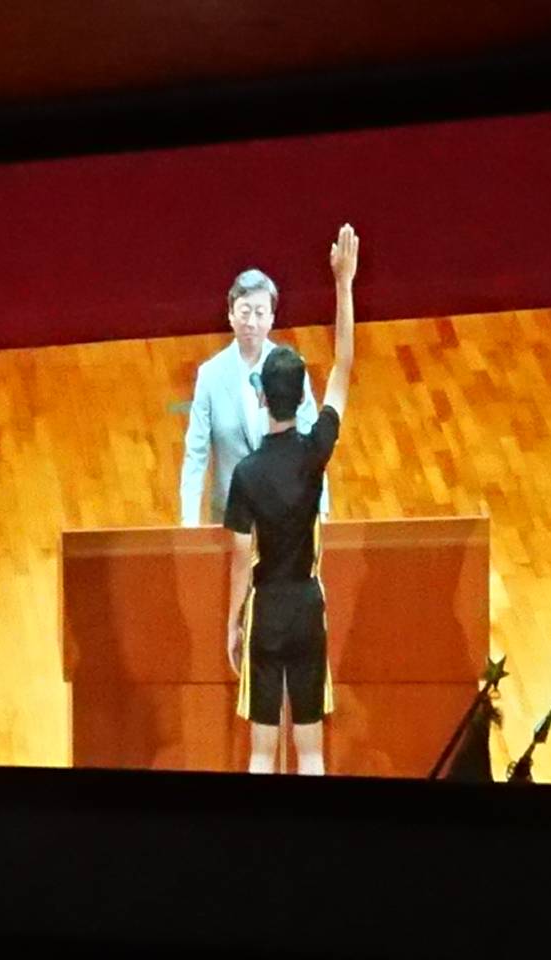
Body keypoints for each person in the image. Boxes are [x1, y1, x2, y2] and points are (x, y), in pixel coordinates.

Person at [223, 223, 358, 775]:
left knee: (260, 750)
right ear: (302, 395)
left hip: (266, 608)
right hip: (307, 607)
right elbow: (344, 367)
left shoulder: (246, 474)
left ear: (262, 396)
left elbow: (240, 558)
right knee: (311, 750)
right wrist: (343, 284)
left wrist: (233, 622)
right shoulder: (315, 451)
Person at [180, 269, 328, 528]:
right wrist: (188, 520)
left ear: (271, 319)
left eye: (260, 313)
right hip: (232, 516)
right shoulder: (210, 375)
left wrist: (321, 511)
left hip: (285, 513)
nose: (251, 322)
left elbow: (311, 447)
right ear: (230, 315)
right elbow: (196, 452)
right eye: (244, 311)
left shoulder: (292, 369)